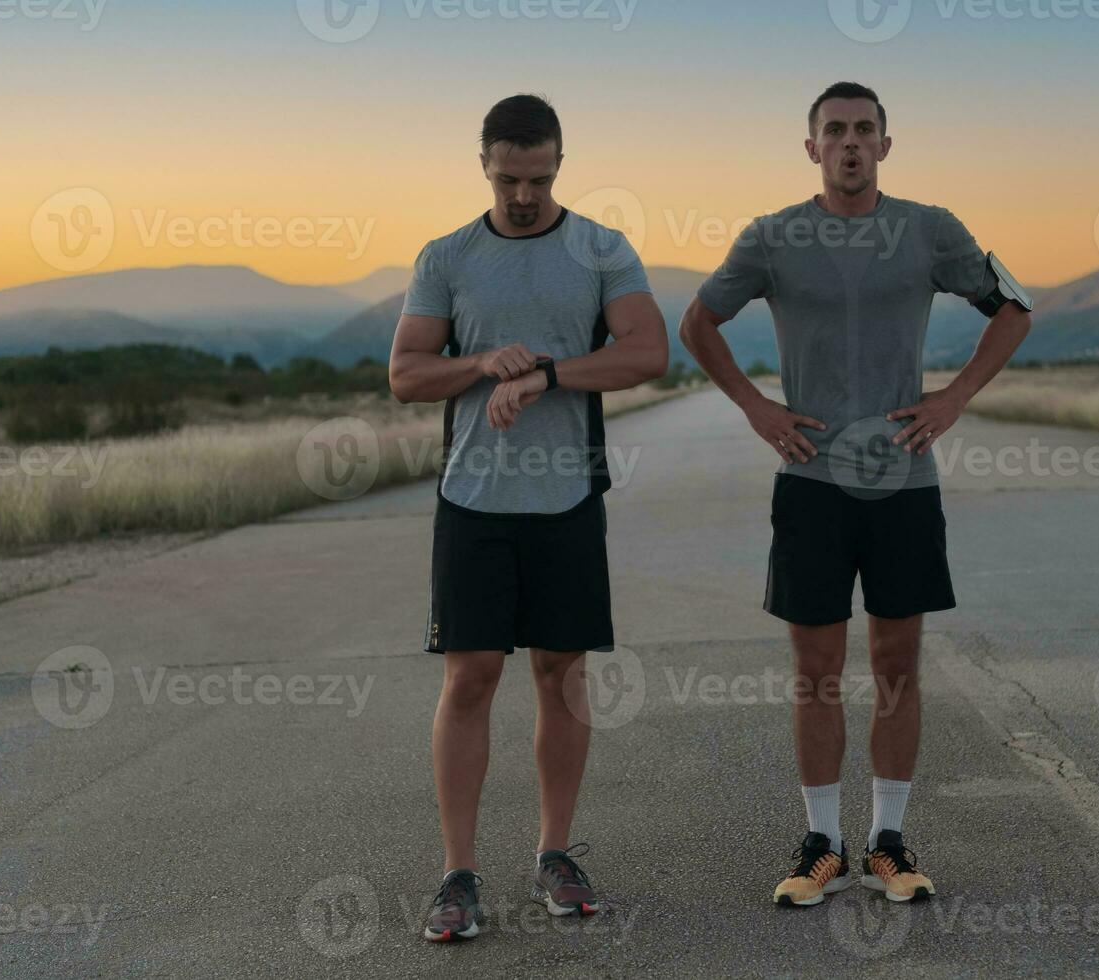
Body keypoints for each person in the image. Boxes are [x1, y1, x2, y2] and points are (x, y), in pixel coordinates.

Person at [679, 81, 1033, 907]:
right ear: (810, 148)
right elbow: (698, 322)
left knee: (898, 664)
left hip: (901, 480)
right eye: (833, 130)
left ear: (884, 144)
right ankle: (821, 844)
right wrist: (757, 407)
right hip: (810, 481)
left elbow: (1012, 311)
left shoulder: (929, 229)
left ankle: (888, 842)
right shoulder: (772, 237)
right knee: (816, 672)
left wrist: (953, 399)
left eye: (863, 130)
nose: (848, 142)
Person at [388, 93, 668, 940]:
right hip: (473, 501)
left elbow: (648, 353)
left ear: (558, 164)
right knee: (469, 680)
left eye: (539, 178)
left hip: (567, 500)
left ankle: (554, 854)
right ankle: (457, 876)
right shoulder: (447, 256)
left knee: (560, 676)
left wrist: (546, 374)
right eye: (509, 178)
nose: (523, 195)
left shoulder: (600, 248)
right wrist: (478, 363)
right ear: (483, 164)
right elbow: (404, 374)